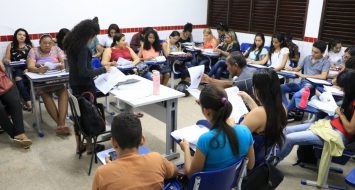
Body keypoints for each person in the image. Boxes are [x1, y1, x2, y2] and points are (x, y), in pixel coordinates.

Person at [277, 70, 355, 161]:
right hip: (332, 125)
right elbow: (334, 82)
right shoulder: (350, 97)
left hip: (338, 135)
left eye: (343, 88)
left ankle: (271, 163)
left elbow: (350, 130)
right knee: (285, 130)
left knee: (289, 138)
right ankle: (272, 155)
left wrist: (341, 114)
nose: (341, 90)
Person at [179, 85, 255, 178]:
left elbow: (191, 175)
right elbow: (251, 165)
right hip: (231, 182)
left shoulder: (205, 140)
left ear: (206, 111)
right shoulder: (245, 131)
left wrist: (186, 149)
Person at [92, 113, 178, 189]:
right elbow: (175, 171)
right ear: (142, 140)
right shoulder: (157, 159)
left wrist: (110, 169)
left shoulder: (102, 174)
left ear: (113, 143)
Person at [63, 19, 110, 154]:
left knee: (78, 115)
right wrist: (103, 69)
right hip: (85, 87)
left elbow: (79, 70)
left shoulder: (71, 44)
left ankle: (80, 146)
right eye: (93, 36)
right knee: (89, 115)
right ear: (88, 34)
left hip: (75, 84)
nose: (94, 38)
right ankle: (90, 147)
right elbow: (84, 72)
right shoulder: (83, 48)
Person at [239, 69, 287, 166]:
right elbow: (264, 116)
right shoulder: (282, 108)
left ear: (257, 89)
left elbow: (234, 137)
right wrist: (248, 99)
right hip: (261, 156)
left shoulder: (258, 113)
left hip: (247, 161)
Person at [27, 34, 70, 136]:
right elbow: (30, 67)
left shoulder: (56, 49)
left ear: (52, 43)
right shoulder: (33, 51)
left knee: (64, 92)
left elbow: (64, 61)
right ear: (40, 43)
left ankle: (61, 125)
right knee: (45, 94)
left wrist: (62, 65)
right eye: (44, 43)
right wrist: (38, 70)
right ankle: (61, 125)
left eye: (49, 43)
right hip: (41, 82)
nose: (47, 45)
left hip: (56, 79)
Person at [281, 41, 330, 114]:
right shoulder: (307, 58)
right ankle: (289, 109)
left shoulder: (325, 62)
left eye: (316, 52)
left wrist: (305, 76)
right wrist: (291, 69)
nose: (313, 53)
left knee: (296, 95)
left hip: (311, 87)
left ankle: (285, 114)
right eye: (312, 51)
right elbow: (297, 69)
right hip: (302, 84)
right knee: (280, 88)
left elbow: (323, 76)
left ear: (322, 53)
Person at [0, 60, 32, 149]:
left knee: (15, 102)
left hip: (2, 84)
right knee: (0, 109)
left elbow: (2, 68)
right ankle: (17, 134)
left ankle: (20, 133)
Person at [4, 28, 33, 111]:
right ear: (16, 35)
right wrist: (7, 61)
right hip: (17, 68)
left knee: (25, 81)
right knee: (18, 79)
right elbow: (6, 59)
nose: (22, 36)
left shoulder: (30, 45)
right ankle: (28, 101)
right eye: (20, 34)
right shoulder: (11, 45)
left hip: (29, 67)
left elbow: (35, 57)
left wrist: (29, 68)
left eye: (24, 35)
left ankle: (25, 101)